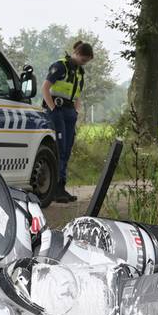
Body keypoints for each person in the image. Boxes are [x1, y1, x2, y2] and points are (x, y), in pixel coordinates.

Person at [42, 40, 94, 203]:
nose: (84, 63)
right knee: (59, 148)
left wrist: (76, 112)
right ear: (76, 54)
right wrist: (52, 109)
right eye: (83, 60)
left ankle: (61, 187)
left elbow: (77, 95)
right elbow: (45, 88)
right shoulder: (60, 66)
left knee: (67, 149)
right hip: (57, 110)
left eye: (86, 61)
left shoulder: (79, 72)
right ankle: (54, 189)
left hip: (70, 112)